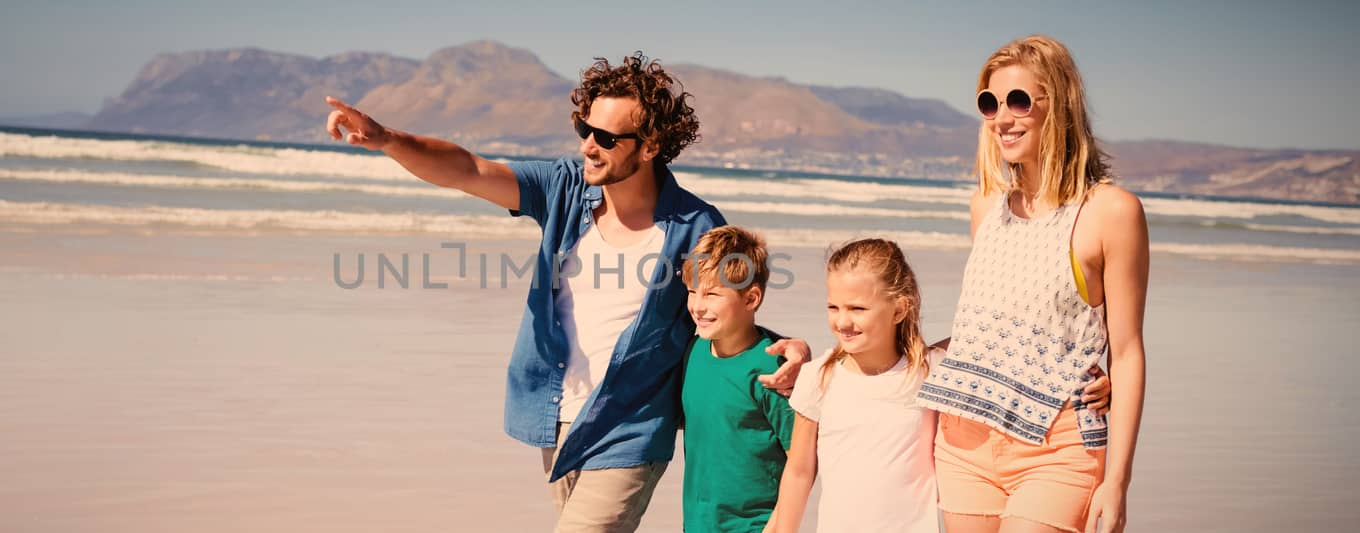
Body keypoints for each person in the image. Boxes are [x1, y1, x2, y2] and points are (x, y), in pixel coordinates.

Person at [324, 52, 805, 533]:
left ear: (650, 145)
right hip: (555, 418)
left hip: (630, 425)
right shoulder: (563, 188)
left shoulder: (695, 226)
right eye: (584, 128)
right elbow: (469, 169)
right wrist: (389, 140)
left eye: (607, 138)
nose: (589, 146)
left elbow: (727, 305)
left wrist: (786, 349)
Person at [913, 35, 1149, 533]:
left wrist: (1118, 481)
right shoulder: (986, 207)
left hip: (1057, 449)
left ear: (1058, 104)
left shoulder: (1110, 212)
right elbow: (994, 326)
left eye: (1019, 100)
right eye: (990, 103)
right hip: (964, 441)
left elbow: (1126, 352)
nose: (1002, 117)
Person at [766, 239, 1112, 533]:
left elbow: (1005, 342)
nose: (843, 320)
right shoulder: (818, 377)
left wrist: (1087, 375)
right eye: (833, 307)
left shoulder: (932, 371)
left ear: (899, 309)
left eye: (857, 308)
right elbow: (799, 471)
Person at [678, 226, 796, 532]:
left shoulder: (774, 369)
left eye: (712, 294)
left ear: (751, 298)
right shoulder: (693, 352)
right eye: (693, 291)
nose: (698, 306)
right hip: (697, 524)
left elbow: (801, 459)